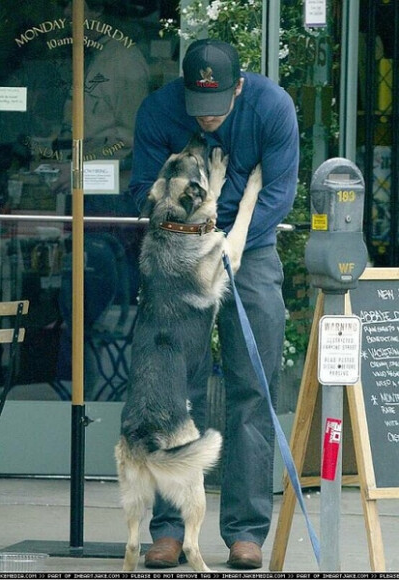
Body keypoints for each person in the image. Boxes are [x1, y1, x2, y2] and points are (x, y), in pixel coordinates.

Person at [128, 38, 299, 570]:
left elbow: (278, 193)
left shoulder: (272, 108)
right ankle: (169, 528)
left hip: (253, 249)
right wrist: (194, 231)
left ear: (239, 87)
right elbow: (142, 192)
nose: (206, 119)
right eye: (197, 109)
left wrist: (232, 242)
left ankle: (245, 531)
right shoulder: (159, 110)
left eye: (217, 108)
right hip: (180, 254)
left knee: (253, 386)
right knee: (173, 389)